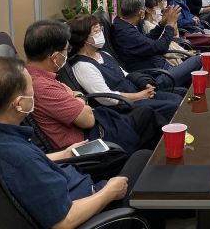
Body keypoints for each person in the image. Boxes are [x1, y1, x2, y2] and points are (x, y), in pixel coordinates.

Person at [0, 57, 156, 229]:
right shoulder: (20, 159)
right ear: (19, 104)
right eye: (31, 91)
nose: (34, 94)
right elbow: (63, 222)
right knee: (144, 159)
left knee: (139, 158)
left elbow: (28, 165)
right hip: (89, 211)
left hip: (73, 187)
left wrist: (64, 154)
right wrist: (109, 192)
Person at [24, 20, 164, 153]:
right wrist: (78, 97)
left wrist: (75, 96)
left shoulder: (36, 75)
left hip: (94, 129)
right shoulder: (43, 87)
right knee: (148, 117)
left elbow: (76, 99)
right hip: (89, 144)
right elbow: (88, 120)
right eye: (66, 49)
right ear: (55, 57)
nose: (68, 53)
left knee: (146, 114)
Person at [68, 15, 182, 120]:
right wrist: (140, 96)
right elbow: (107, 98)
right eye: (96, 31)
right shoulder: (82, 66)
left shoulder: (103, 54)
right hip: (123, 107)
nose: (100, 34)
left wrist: (144, 84)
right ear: (84, 39)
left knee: (177, 99)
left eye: (100, 30)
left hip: (135, 92)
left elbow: (125, 74)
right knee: (174, 107)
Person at [111, 0, 202, 89]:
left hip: (162, 68)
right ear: (141, 12)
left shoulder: (125, 25)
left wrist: (162, 24)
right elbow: (161, 47)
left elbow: (147, 41)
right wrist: (170, 25)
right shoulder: (125, 32)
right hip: (157, 77)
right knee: (199, 59)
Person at [142, 0, 197, 66]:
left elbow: (174, 34)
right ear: (148, 10)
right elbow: (165, 48)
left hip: (180, 53)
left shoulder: (156, 22)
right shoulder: (149, 26)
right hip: (173, 60)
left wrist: (169, 20)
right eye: (156, 7)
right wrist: (186, 53)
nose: (160, 9)